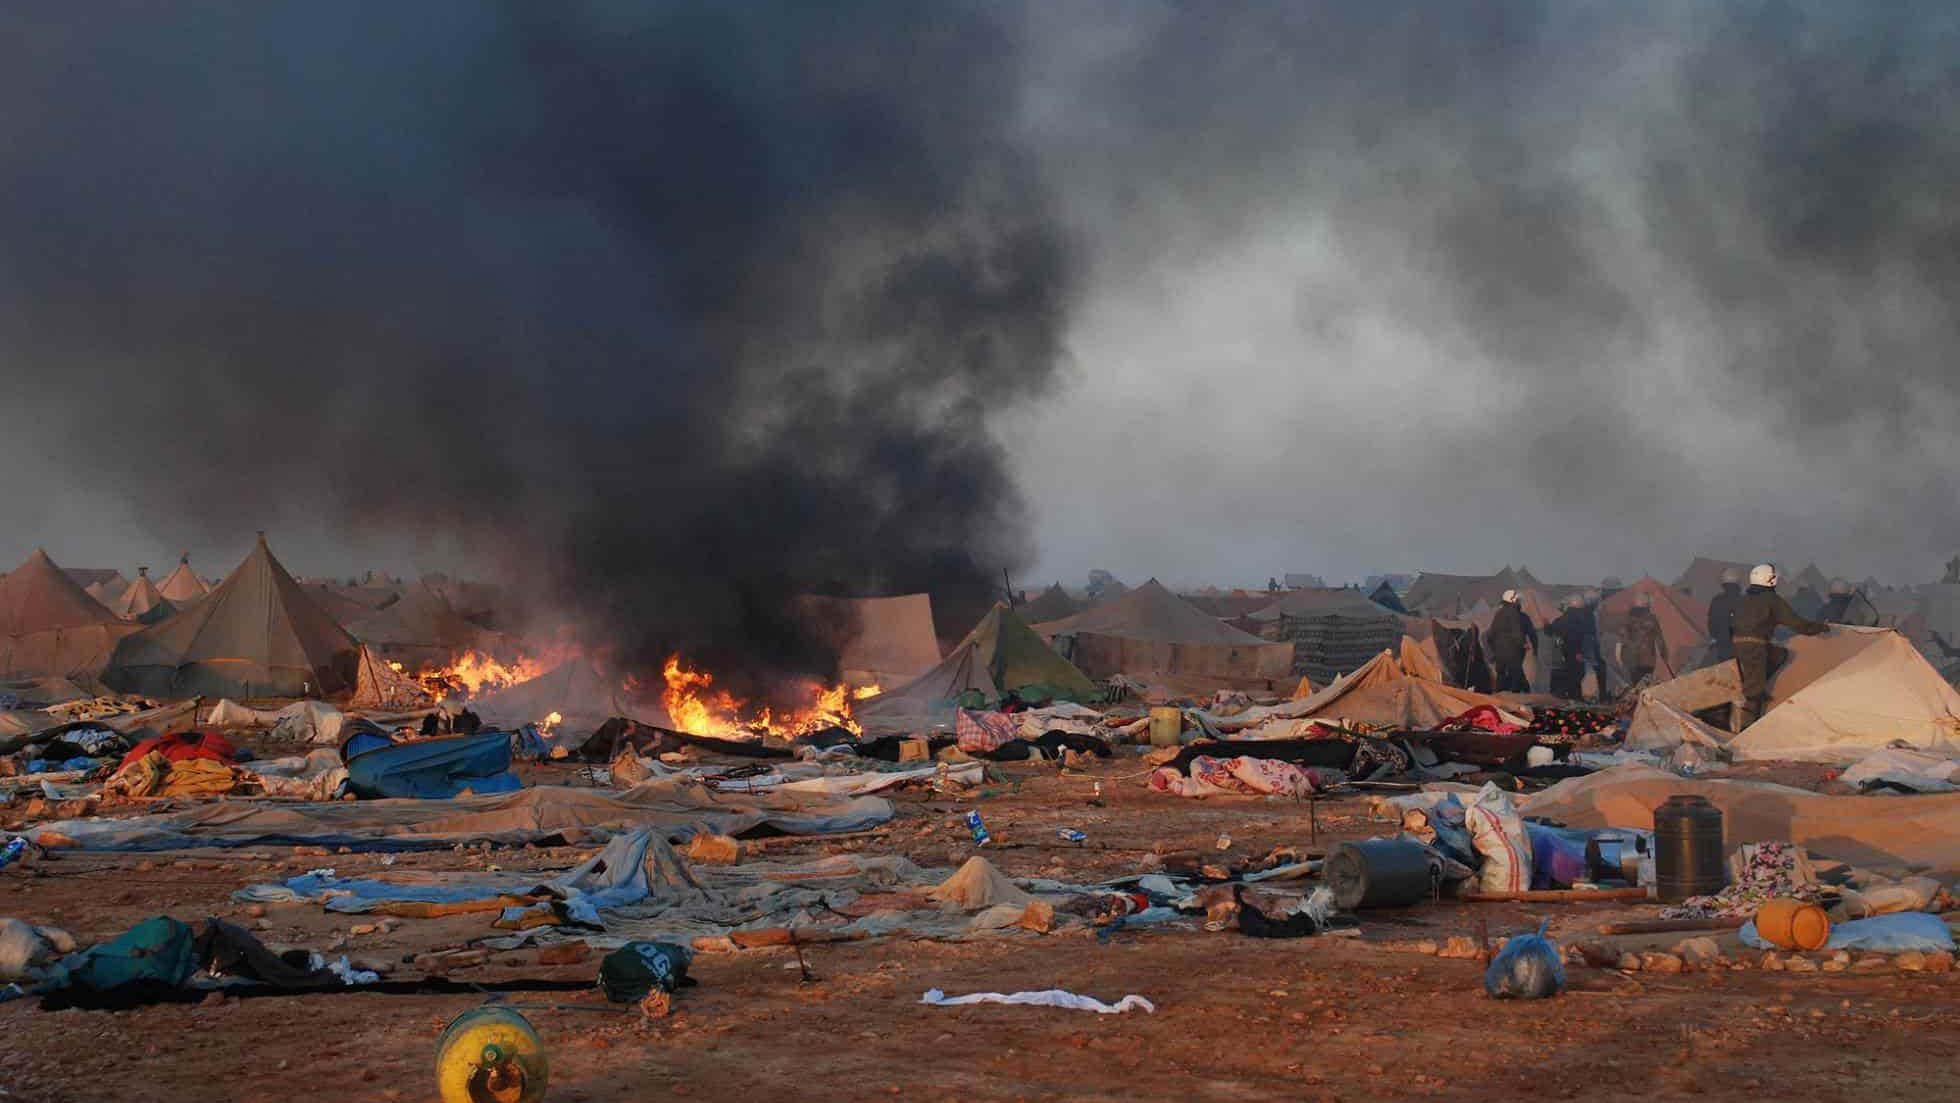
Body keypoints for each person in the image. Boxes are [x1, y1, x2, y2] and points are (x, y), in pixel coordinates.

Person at [1732, 563, 1826, 730]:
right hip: (1756, 646)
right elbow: (1797, 623)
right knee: (1754, 691)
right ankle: (1746, 731)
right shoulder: (1772, 600)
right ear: (1770, 580)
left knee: (1779, 655)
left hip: (1739, 644)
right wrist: (1820, 628)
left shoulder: (1743, 599)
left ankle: (1759, 684)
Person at [1485, 589, 1538, 693]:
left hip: (1500, 652)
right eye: (1517, 600)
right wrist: (1523, 644)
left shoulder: (1499, 613)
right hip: (1513, 651)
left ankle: (1500, 699)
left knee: (1501, 676)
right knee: (1516, 676)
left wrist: (1493, 651)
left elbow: (1490, 635)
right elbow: (1517, 631)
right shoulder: (1516, 614)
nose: (1519, 602)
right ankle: (1519, 699)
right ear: (1513, 600)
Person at [1616, 592, 1668, 687]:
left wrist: (1618, 657)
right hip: (1648, 659)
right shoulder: (1652, 619)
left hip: (1631, 659)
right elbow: (1660, 640)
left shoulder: (1627, 619)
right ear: (1648, 604)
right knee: (1646, 686)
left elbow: (1620, 640)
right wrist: (1664, 654)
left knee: (1635, 686)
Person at [1546, 597, 1592, 700]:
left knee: (1558, 686)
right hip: (1573, 655)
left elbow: (1549, 632)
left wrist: (1546, 625)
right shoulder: (1579, 620)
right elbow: (1577, 637)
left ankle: (1559, 700)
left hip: (1559, 658)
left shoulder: (1560, 620)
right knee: (1575, 681)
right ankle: (1574, 700)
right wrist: (1579, 652)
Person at [1706, 567, 1743, 663]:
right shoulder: (1746, 601)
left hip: (1722, 648)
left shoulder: (1716, 601)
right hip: (1742, 648)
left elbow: (1711, 627)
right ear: (1738, 582)